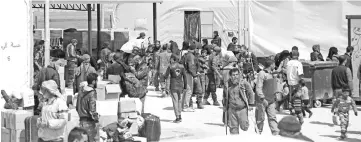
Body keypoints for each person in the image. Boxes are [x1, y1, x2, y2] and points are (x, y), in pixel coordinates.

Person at [224, 67, 255, 134]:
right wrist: (225, 106)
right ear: (230, 76)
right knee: (233, 129)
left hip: (242, 109)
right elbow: (225, 96)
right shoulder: (227, 84)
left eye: (237, 74)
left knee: (244, 127)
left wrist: (250, 104)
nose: (235, 77)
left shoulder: (243, 83)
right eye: (233, 75)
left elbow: (250, 92)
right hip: (232, 109)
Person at [255, 59, 279, 135]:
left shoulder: (272, 73)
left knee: (273, 117)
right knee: (260, 119)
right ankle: (258, 133)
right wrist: (262, 98)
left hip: (271, 100)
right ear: (271, 65)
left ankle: (275, 133)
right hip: (262, 100)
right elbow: (258, 87)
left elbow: (274, 86)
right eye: (274, 64)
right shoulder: (262, 73)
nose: (274, 66)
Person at [162, 54, 187, 123]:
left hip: (173, 85)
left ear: (173, 59)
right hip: (180, 85)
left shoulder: (170, 66)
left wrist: (162, 79)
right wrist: (185, 87)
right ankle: (180, 115)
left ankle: (177, 117)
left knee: (175, 101)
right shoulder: (182, 66)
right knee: (179, 101)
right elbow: (185, 77)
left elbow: (166, 76)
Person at [76, 73, 99, 142]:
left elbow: (77, 107)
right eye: (97, 80)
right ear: (93, 81)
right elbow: (92, 109)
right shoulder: (92, 93)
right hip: (89, 122)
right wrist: (96, 120)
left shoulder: (81, 92)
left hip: (81, 121)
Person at [183, 44, 204, 110]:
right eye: (197, 49)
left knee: (188, 90)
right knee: (189, 90)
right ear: (194, 49)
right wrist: (194, 75)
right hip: (190, 74)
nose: (197, 50)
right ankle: (187, 106)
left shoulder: (188, 55)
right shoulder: (191, 56)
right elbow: (191, 66)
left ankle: (188, 105)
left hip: (189, 73)